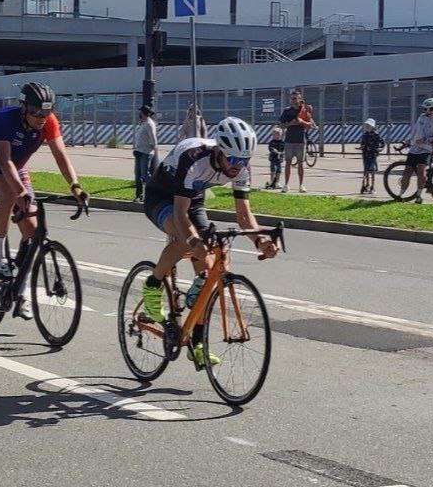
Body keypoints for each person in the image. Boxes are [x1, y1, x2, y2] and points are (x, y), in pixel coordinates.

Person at [141, 116, 279, 366]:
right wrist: (194, 240)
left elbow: (243, 214)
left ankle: (197, 343)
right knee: (186, 241)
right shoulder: (193, 157)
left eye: (245, 161)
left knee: (209, 271)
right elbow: (180, 214)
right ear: (220, 150)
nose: (239, 167)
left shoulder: (241, 168)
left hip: (193, 198)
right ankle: (152, 286)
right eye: (234, 160)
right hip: (162, 196)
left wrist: (260, 241)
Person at [0, 82, 88, 320]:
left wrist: (75, 186)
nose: (41, 118)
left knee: (32, 230)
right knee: (9, 193)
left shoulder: (49, 121)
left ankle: (20, 292)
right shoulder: (5, 119)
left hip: (19, 168)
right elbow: (4, 162)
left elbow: (60, 156)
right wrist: (19, 192)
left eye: (46, 113)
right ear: (24, 108)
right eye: (36, 113)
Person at [399, 97, 433, 204]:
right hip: (414, 148)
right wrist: (407, 141)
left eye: (431, 109)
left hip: (427, 149)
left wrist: (425, 140)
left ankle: (418, 196)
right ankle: (400, 195)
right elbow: (415, 131)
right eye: (425, 109)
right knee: (407, 172)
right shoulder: (421, 117)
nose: (428, 111)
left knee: (421, 170)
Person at [279, 91, 314, 193]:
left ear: (300, 99)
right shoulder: (287, 111)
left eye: (295, 98)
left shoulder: (304, 110)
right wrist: (290, 124)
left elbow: (310, 125)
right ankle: (286, 185)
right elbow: (281, 125)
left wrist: (301, 122)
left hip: (300, 141)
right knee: (288, 163)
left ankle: (301, 185)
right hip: (289, 140)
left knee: (300, 163)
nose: (293, 100)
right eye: (292, 98)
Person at [133, 104, 158, 203]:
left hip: (146, 153)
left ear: (144, 113)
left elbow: (153, 140)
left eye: (140, 112)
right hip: (139, 151)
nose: (139, 114)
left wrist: (151, 149)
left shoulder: (149, 124)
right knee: (137, 175)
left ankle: (154, 193)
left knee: (145, 175)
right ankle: (139, 195)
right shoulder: (143, 123)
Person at [359, 118, 385, 194]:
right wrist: (362, 147)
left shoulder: (376, 135)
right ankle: (367, 185)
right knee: (366, 170)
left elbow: (382, 144)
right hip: (365, 155)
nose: (367, 126)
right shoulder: (364, 135)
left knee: (372, 171)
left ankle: (372, 187)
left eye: (368, 125)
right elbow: (362, 143)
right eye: (366, 125)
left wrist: (379, 149)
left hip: (373, 155)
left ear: (372, 126)